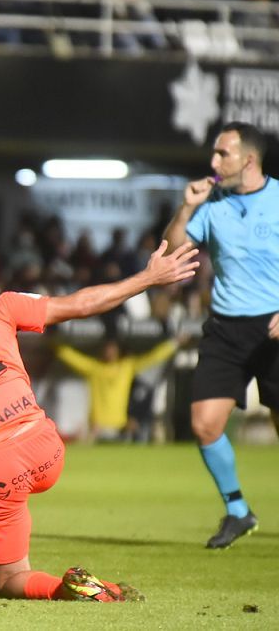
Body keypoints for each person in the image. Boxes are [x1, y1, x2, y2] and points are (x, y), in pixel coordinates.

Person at [0, 239, 198, 601]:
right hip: (45, 446)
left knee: (10, 579)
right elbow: (80, 304)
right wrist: (148, 278)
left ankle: (71, 588)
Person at [163, 121, 279, 549]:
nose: (213, 163)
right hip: (227, 328)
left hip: (274, 327)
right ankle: (237, 511)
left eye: (222, 154)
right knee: (204, 424)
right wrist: (187, 209)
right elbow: (175, 252)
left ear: (248, 159)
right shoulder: (213, 205)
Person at [54, 337, 179, 441]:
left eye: (112, 349)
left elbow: (152, 357)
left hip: (121, 428)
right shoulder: (95, 368)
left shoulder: (126, 367)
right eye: (107, 349)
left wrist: (174, 343)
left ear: (118, 351)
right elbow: (70, 356)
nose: (110, 352)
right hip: (98, 429)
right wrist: (52, 341)